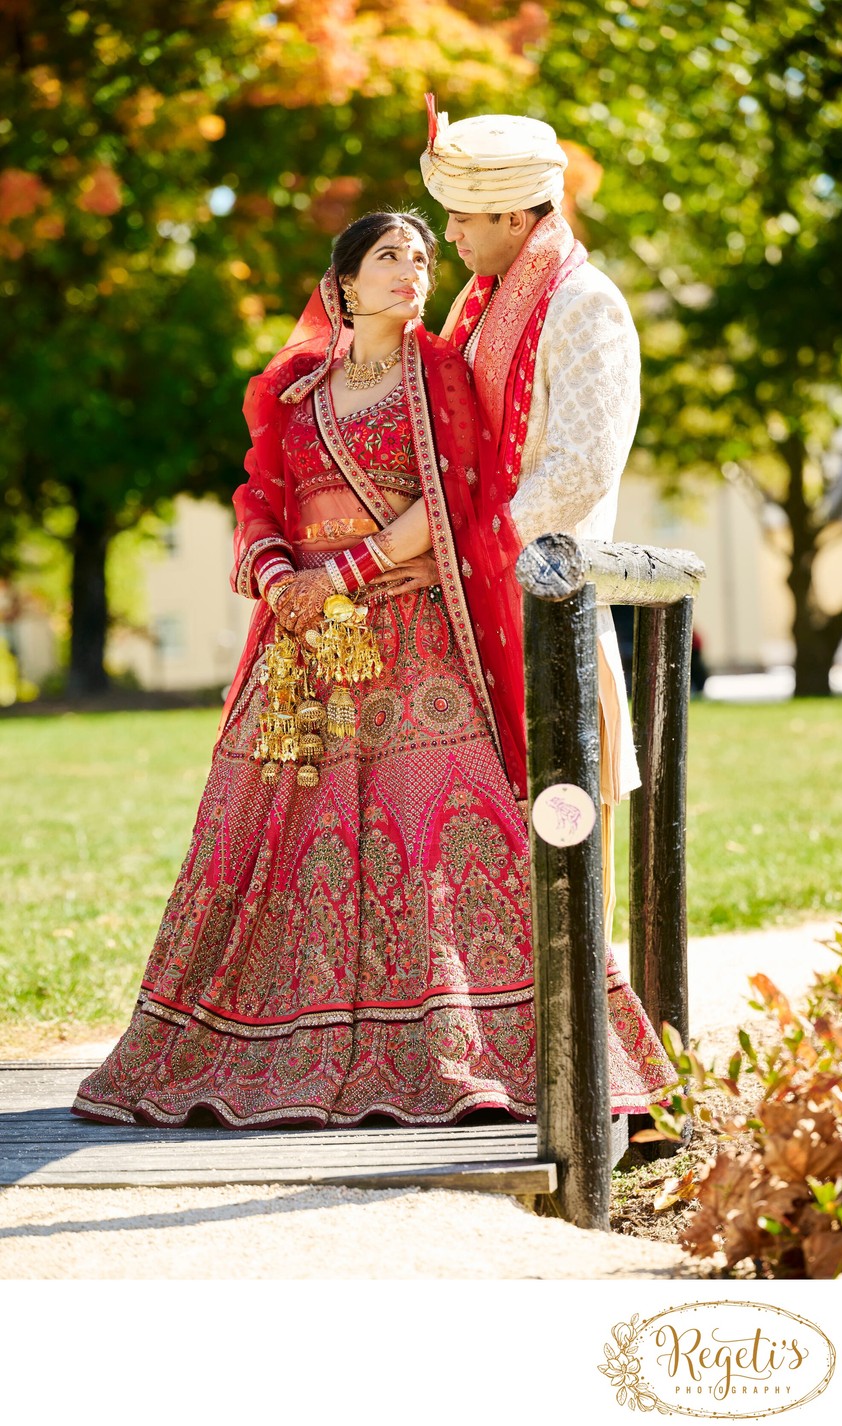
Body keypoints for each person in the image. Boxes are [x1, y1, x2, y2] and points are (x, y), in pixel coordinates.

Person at [72, 208, 674, 1130]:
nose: (412, 270)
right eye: (389, 256)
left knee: (443, 835)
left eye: (424, 257)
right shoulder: (289, 389)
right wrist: (280, 579)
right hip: (302, 656)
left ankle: (477, 1052)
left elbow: (458, 498)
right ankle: (251, 1042)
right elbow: (256, 501)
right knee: (267, 841)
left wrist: (342, 574)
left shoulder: (441, 377)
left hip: (414, 647)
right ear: (344, 282)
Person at [420, 101, 642, 944]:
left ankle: (583, 1048)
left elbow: (582, 466)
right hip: (472, 597)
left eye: (463, 217)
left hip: (546, 603)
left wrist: (474, 545)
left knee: (565, 822)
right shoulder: (475, 307)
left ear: (517, 216)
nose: (448, 235)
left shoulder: (584, 304)